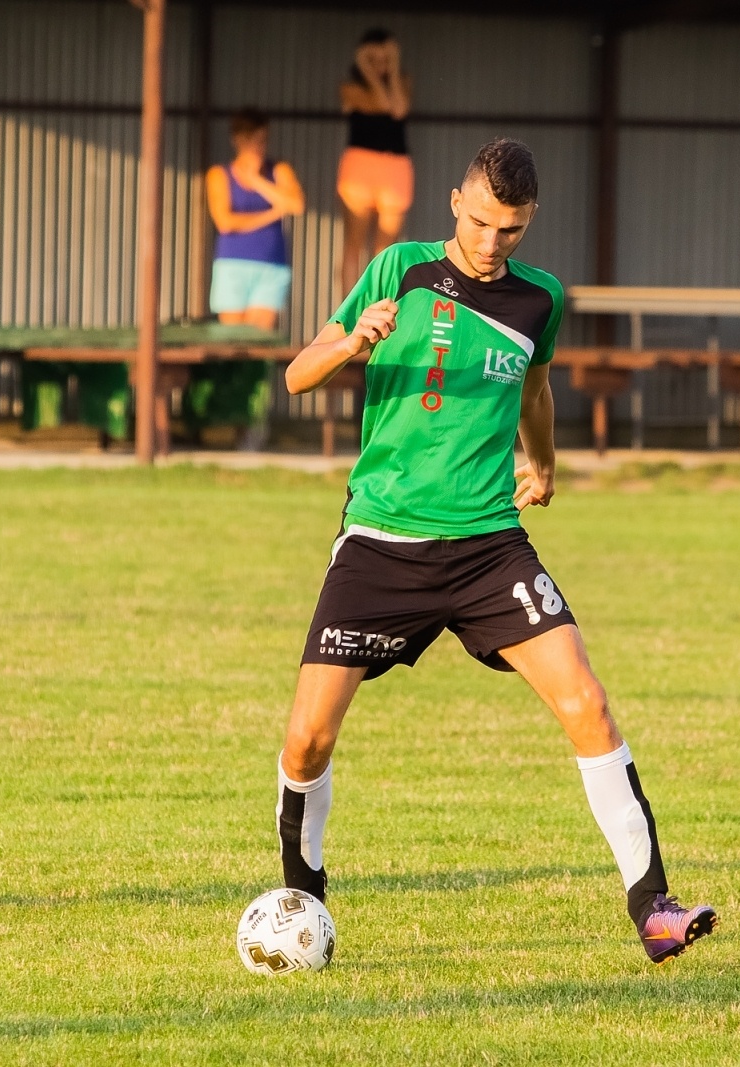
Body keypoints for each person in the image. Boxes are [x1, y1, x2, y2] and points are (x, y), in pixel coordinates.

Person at [273, 139, 717, 965]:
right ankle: (302, 903)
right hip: (382, 540)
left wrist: (541, 461)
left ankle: (654, 907)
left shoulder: (540, 299)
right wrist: (351, 343)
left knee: (586, 702)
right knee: (307, 741)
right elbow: (298, 375)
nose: (489, 243)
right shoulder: (397, 270)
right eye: (479, 222)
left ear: (529, 222)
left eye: (508, 230)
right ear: (454, 203)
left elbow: (538, 388)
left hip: (488, 548)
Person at [205, 109, 305, 331]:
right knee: (231, 340)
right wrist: (273, 213)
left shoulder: (278, 170)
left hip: (271, 265)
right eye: (251, 140)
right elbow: (226, 222)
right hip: (233, 264)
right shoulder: (219, 174)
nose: (257, 147)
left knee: (260, 339)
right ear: (237, 140)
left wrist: (256, 180)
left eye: (262, 140)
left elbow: (296, 204)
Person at [336, 28, 413, 300]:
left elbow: (399, 109)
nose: (381, 65)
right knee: (353, 245)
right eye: (374, 59)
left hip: (396, 168)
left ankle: (377, 307)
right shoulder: (351, 87)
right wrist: (365, 69)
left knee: (385, 248)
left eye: (386, 58)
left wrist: (393, 69)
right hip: (360, 166)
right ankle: (348, 315)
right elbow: (381, 104)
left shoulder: (401, 82)